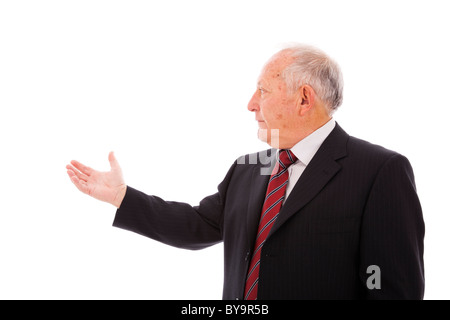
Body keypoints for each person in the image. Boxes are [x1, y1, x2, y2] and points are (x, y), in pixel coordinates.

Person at [66, 44, 425, 300]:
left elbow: (392, 289)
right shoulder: (249, 168)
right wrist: (121, 197)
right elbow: (196, 224)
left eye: (263, 90)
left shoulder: (379, 171)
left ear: (303, 99)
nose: (251, 104)